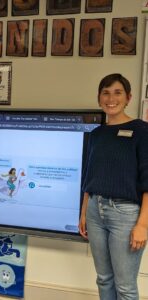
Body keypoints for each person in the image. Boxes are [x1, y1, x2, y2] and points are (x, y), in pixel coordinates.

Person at [79, 73, 148, 300]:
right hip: (95, 212)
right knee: (104, 278)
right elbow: (90, 178)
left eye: (117, 92)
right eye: (106, 93)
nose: (111, 98)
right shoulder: (97, 134)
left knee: (125, 287)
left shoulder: (141, 131)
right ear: (99, 98)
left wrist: (143, 225)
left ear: (128, 97)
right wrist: (84, 213)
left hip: (126, 215)